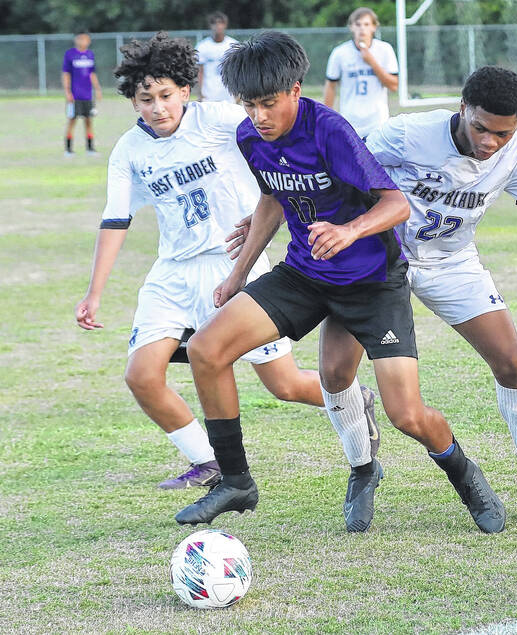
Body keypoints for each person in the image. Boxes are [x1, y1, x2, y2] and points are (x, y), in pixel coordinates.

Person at [175, 31, 506, 535]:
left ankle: (466, 475)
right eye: (248, 105)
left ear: (295, 89)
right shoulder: (250, 136)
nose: (258, 116)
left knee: (407, 414)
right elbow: (272, 199)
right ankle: (238, 480)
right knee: (205, 349)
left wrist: (349, 230)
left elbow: (395, 203)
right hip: (307, 272)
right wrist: (237, 275)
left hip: (373, 280)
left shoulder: (329, 129)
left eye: (268, 103)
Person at [73, 32, 379, 496]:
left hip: (234, 261)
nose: (158, 108)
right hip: (172, 273)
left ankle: (355, 400)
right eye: (145, 99)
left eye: (166, 96)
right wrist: (94, 293)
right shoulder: (129, 152)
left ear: (185, 90)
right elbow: (115, 219)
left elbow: (281, 134)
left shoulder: (220, 120)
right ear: (133, 101)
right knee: (141, 376)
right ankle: (210, 462)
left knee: (285, 385)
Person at [362, 65, 517, 518]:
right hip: (381, 262)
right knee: (336, 371)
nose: (490, 143)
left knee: (511, 361)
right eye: (481, 128)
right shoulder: (406, 133)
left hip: (453, 262)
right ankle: (361, 468)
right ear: (463, 108)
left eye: (503, 133)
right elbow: (337, 173)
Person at [323, 7, 398, 139]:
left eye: (366, 24)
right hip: (350, 122)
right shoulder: (340, 53)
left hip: (378, 123)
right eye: (358, 24)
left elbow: (393, 86)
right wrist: (325, 118)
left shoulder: (385, 49)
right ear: (351, 27)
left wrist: (372, 62)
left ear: (374, 27)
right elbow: (330, 86)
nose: (362, 28)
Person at [62, 30, 102, 157]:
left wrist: (97, 89)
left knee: (89, 120)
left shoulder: (90, 54)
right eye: (81, 39)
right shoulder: (70, 54)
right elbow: (66, 74)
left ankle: (90, 148)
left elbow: (92, 74)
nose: (83, 41)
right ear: (76, 40)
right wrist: (67, 91)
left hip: (87, 95)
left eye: (86, 39)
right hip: (75, 94)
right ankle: (68, 149)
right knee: (72, 120)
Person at [196, 12, 237, 103]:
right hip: (209, 96)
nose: (218, 26)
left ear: (225, 25)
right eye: (214, 23)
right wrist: (200, 93)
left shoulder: (233, 45)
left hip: (228, 95)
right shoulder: (202, 46)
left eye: (221, 23)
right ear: (210, 26)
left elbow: (238, 71)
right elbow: (200, 72)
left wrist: (238, 93)